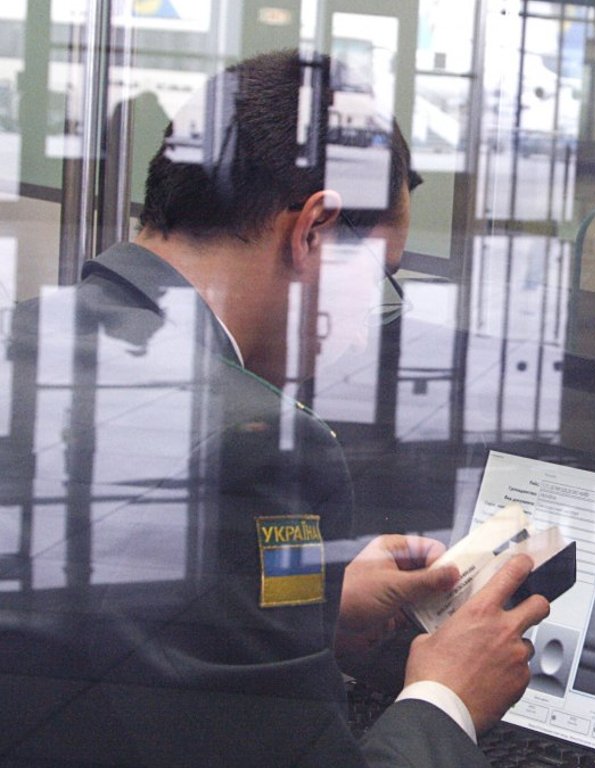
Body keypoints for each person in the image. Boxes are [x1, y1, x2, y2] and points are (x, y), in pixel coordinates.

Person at [0, 51, 547, 766]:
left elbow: (80, 628)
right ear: (313, 230)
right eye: (376, 277)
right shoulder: (250, 441)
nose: (361, 331)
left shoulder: (20, 341)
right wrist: (445, 698)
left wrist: (317, 601)